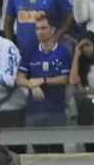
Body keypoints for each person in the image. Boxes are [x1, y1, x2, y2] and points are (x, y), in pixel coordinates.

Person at [18, 16, 71, 151]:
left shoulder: (63, 51)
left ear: (53, 30)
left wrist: (43, 80)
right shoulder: (30, 50)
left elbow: (65, 79)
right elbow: (19, 78)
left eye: (43, 28)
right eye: (37, 28)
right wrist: (32, 85)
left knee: (57, 150)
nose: (39, 32)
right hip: (34, 110)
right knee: (37, 152)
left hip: (56, 110)